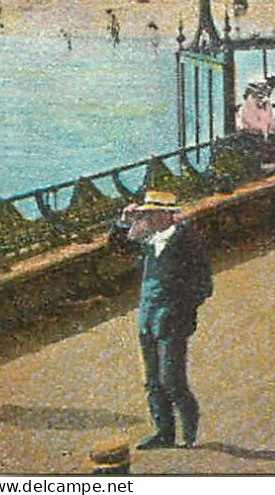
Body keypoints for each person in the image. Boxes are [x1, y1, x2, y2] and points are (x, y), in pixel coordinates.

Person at [107, 190, 213, 450]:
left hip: (173, 322)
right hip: (148, 317)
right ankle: (164, 433)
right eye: (146, 214)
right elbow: (117, 247)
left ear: (168, 214)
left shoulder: (187, 240)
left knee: (172, 381)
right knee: (152, 381)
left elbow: (204, 285)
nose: (147, 218)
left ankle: (189, 432)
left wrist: (181, 311)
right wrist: (123, 221)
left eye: (152, 213)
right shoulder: (147, 240)